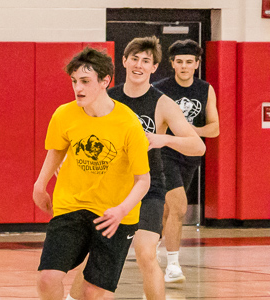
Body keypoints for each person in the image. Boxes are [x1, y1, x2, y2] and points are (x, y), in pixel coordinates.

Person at [67, 37, 206, 300]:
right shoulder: (107, 98)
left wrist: (162, 139)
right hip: (110, 188)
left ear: (154, 68)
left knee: (145, 253)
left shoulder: (162, 103)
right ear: (124, 61)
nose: (139, 65)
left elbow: (197, 146)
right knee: (92, 254)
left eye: (146, 61)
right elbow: (82, 133)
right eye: (134, 59)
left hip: (149, 189)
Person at [33, 47, 150, 300]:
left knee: (91, 292)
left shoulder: (128, 123)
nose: (78, 88)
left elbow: (143, 181)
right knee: (47, 278)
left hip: (115, 214)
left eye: (85, 81)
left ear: (105, 81)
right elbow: (56, 150)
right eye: (74, 81)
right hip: (72, 206)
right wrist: (40, 184)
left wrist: (121, 210)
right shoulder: (64, 114)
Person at [153, 39, 219, 283]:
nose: (184, 66)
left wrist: (188, 131)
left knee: (168, 210)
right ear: (172, 63)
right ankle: (173, 266)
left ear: (197, 64)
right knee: (180, 207)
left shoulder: (205, 89)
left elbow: (214, 129)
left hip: (190, 155)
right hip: (165, 153)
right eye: (179, 62)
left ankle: (151, 245)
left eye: (189, 62)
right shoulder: (160, 89)